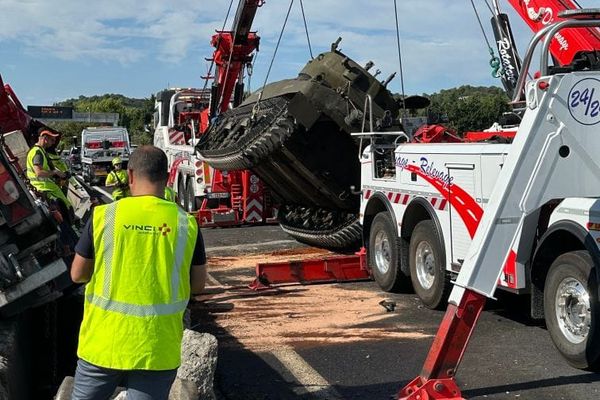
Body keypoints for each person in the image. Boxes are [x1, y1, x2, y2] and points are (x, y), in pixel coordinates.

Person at [70, 145, 208, 400]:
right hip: (157, 348)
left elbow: (77, 274)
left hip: (103, 344)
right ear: (166, 178)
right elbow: (198, 284)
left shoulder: (104, 216)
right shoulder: (185, 223)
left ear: (130, 175)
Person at [26, 128, 74, 221]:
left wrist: (60, 174)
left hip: (45, 187)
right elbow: (39, 173)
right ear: (45, 138)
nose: (53, 143)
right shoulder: (38, 153)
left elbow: (46, 168)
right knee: (67, 208)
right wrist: (55, 172)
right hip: (46, 188)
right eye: (52, 140)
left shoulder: (40, 151)